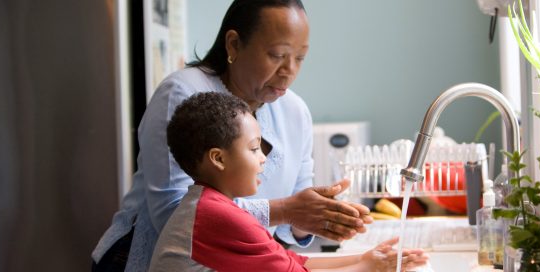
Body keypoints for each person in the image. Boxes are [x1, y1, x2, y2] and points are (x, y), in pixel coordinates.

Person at [92, 0, 372, 271]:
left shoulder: (296, 111)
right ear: (234, 44)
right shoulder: (183, 92)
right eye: (277, 55)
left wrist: (318, 217)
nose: (290, 71)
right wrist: (288, 210)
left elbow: (289, 230)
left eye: (300, 58)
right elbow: (175, 216)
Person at [148, 92, 428, 271]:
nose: (263, 159)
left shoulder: (209, 206)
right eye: (255, 147)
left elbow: (293, 262)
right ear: (218, 159)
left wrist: (362, 258)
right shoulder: (217, 216)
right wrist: (369, 267)